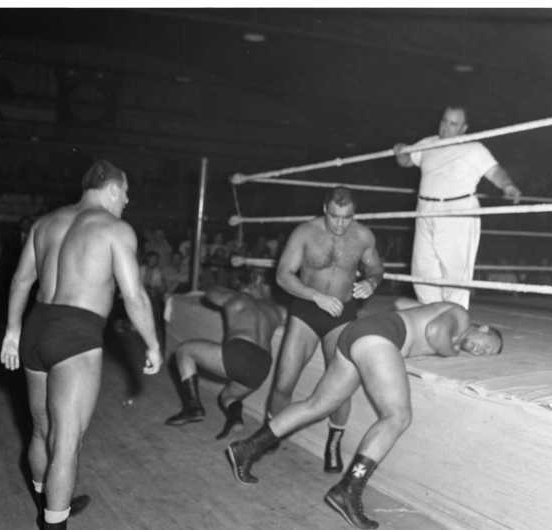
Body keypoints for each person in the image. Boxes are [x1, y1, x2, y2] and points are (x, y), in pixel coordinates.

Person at [227, 299, 503, 529]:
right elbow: (435, 334)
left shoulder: (450, 315)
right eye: (487, 344)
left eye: (485, 355)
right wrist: (452, 351)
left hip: (358, 334)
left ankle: (247, 448)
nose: (480, 351)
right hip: (378, 337)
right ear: (484, 328)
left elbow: (402, 303)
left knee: (317, 404)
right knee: (397, 416)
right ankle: (348, 490)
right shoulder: (462, 316)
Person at [0, 160, 162, 530]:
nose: (127, 200)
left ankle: (47, 504)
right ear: (112, 188)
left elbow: (21, 280)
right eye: (125, 192)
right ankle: (54, 522)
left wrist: (12, 332)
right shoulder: (114, 229)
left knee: (41, 431)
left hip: (35, 328)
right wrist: (152, 344)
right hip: (75, 333)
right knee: (67, 443)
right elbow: (134, 296)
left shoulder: (45, 223)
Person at [269, 186, 384, 473]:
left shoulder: (363, 236)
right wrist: (315, 296)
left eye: (347, 217)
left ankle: (334, 443)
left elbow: (376, 269)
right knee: (284, 383)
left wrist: (371, 283)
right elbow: (282, 275)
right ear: (324, 209)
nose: (340, 224)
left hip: (342, 314)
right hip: (307, 310)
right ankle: (269, 437)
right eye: (334, 216)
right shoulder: (305, 233)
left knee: (340, 387)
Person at [394, 105, 522, 309]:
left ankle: (455, 320)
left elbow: (494, 171)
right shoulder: (428, 143)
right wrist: (400, 150)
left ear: (464, 129)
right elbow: (407, 161)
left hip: (457, 212)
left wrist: (508, 186)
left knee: (455, 273)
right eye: (444, 121)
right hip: (425, 210)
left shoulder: (474, 148)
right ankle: (431, 316)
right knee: (423, 270)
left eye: (453, 124)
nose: (446, 127)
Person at [165, 275, 286, 439]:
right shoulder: (277, 310)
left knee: (184, 351)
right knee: (228, 396)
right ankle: (235, 418)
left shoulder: (237, 298)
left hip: (240, 353)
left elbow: (210, 293)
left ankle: (192, 407)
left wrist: (230, 289)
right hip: (262, 366)